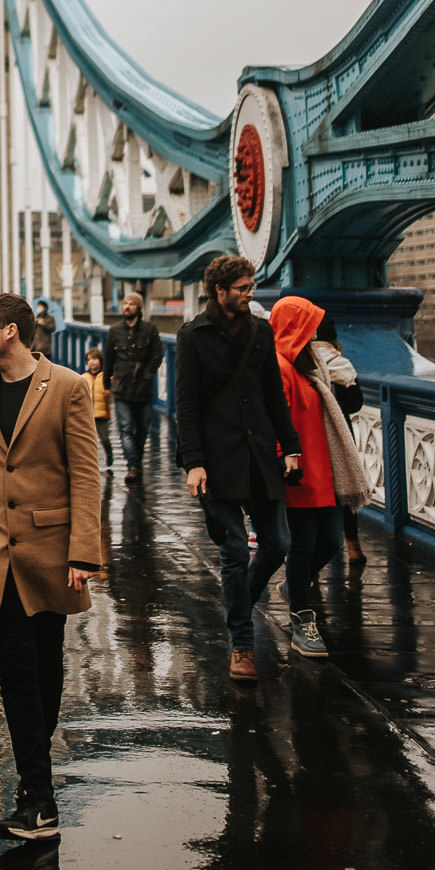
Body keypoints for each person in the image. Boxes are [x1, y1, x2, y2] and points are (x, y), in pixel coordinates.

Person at [0, 293, 101, 839]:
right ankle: (39, 798)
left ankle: (33, 785)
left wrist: (84, 551)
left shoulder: (68, 386)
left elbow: (85, 473)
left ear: (12, 332)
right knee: (16, 673)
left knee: (46, 669)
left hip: (50, 550)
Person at [175, 255, 301, 683]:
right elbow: (186, 405)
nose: (250, 294)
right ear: (220, 291)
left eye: (251, 287)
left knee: (278, 544)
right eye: (243, 288)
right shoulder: (192, 336)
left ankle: (239, 601)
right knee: (232, 552)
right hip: (217, 460)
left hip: (260, 454)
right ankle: (242, 645)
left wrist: (291, 447)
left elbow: (274, 395)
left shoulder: (262, 332)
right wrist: (194, 462)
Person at [268, 297, 371, 658]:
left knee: (330, 542)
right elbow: (274, 418)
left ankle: (293, 586)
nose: (314, 333)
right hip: (298, 472)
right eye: (309, 326)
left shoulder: (314, 366)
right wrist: (282, 458)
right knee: (303, 546)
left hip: (325, 470)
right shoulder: (279, 367)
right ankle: (302, 620)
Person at [313, 311, 366, 566]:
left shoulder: (302, 362)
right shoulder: (340, 363)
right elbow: (356, 404)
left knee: (315, 495)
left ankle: (311, 566)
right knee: (345, 488)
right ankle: (353, 547)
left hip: (312, 435)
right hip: (340, 433)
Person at [103, 293, 163, 484]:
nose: (127, 307)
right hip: (121, 387)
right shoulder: (114, 331)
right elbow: (108, 360)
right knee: (126, 428)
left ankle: (136, 460)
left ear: (139, 308)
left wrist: (147, 374)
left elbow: (158, 355)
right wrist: (106, 385)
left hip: (143, 388)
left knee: (143, 429)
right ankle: (133, 466)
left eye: (131, 304)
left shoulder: (150, 330)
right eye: (125, 303)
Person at [83, 347, 113, 472]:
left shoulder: (106, 376)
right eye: (89, 360)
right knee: (89, 441)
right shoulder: (84, 377)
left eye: (95, 359)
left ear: (101, 361)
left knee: (104, 438)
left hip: (102, 413)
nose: (92, 362)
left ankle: (109, 453)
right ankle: (91, 462)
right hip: (87, 414)